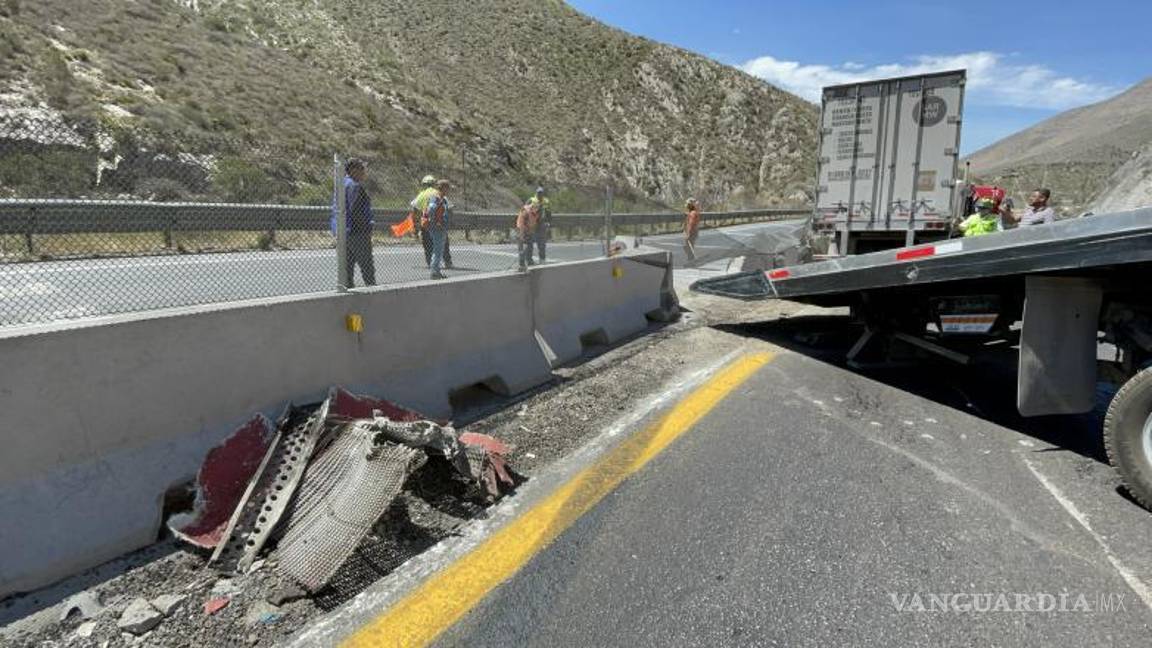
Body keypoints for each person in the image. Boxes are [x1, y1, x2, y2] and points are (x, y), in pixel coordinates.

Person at [331, 157, 376, 286]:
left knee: (347, 269)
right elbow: (356, 210)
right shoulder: (354, 186)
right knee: (367, 267)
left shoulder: (341, 184)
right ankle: (372, 293)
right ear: (353, 170)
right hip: (357, 233)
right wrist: (367, 227)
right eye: (362, 168)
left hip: (343, 232)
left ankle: (347, 295)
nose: (364, 172)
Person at [411, 174, 453, 269]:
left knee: (427, 243)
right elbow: (449, 208)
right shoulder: (439, 193)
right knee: (443, 244)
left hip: (426, 223)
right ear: (434, 184)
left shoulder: (421, 195)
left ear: (424, 185)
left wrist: (416, 227)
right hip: (439, 223)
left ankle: (430, 262)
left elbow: (415, 210)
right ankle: (447, 261)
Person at [424, 179, 452, 279]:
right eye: (448, 188)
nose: (449, 190)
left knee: (438, 250)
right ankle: (435, 272)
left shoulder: (439, 198)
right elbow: (432, 209)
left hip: (437, 227)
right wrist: (437, 222)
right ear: (444, 188)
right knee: (438, 250)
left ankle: (436, 271)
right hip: (438, 228)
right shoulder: (437, 198)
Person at [529, 186, 552, 263]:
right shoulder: (532, 200)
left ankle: (542, 259)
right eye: (538, 193)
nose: (540, 194)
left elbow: (549, 213)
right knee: (530, 242)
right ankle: (529, 259)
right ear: (536, 193)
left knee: (542, 243)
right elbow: (525, 210)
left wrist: (548, 222)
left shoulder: (546, 201)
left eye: (541, 193)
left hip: (542, 224)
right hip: (533, 224)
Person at [516, 199, 541, 271]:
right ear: (532, 206)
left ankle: (529, 261)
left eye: (538, 207)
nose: (537, 208)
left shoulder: (536, 212)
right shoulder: (525, 212)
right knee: (522, 248)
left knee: (530, 247)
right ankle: (521, 264)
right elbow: (521, 224)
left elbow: (533, 222)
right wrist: (522, 235)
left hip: (529, 231)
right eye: (535, 207)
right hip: (522, 230)